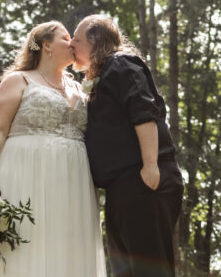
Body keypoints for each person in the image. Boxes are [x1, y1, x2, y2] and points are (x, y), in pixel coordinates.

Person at [0, 21, 107, 277]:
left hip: (73, 179)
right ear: (46, 45)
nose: (72, 43)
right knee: (25, 240)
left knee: (66, 241)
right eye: (65, 37)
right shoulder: (19, 80)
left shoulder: (79, 87)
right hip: (25, 171)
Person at [71, 14, 183, 277]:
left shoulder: (121, 64)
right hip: (123, 186)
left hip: (144, 179)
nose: (71, 45)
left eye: (76, 39)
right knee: (127, 271)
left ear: (95, 39)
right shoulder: (104, 73)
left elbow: (143, 111)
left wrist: (150, 165)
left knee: (149, 270)